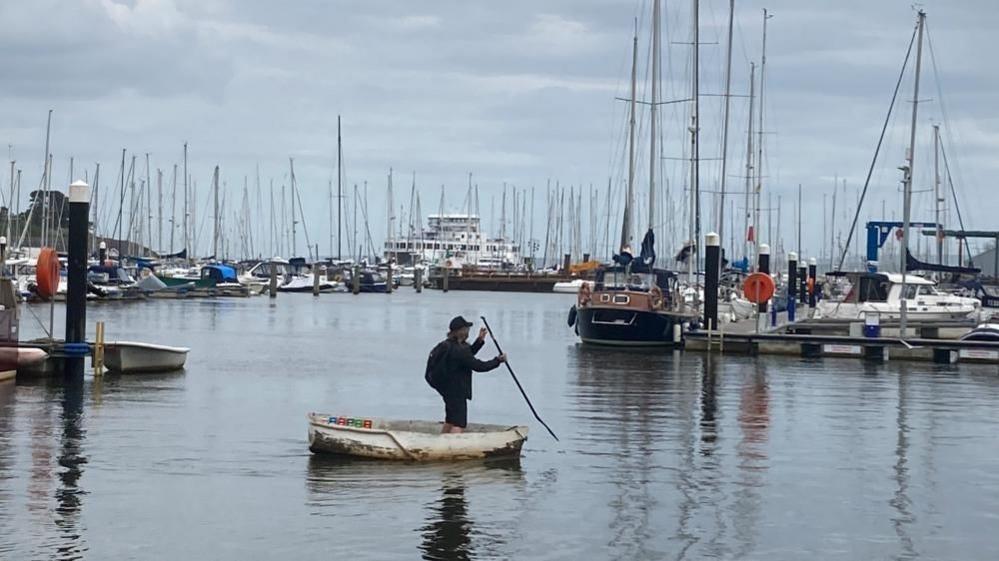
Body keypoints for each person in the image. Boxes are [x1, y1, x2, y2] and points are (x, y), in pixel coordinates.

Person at [428, 316, 506, 434]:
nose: (468, 332)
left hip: (446, 389)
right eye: (467, 329)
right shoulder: (459, 350)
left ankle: (441, 442)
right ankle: (452, 447)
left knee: (450, 419)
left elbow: (466, 357)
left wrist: (479, 341)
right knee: (459, 423)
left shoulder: (447, 345)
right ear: (462, 331)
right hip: (457, 390)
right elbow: (479, 366)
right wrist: (497, 361)